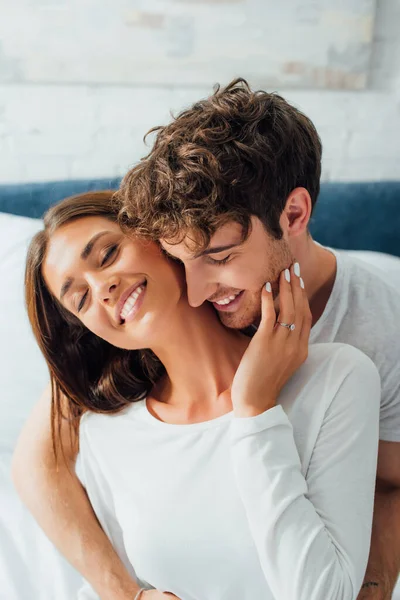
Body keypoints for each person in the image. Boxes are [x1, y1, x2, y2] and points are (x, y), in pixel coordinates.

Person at [13, 78, 400, 597]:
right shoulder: (119, 403)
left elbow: (391, 486)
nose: (198, 290)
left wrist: (371, 590)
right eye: (182, 257)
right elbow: (38, 463)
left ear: (294, 216)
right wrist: (129, 594)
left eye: (218, 258)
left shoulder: (367, 341)